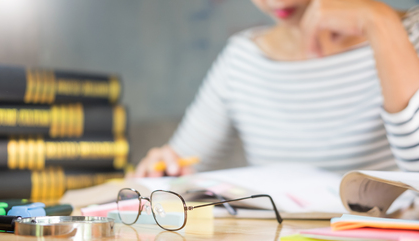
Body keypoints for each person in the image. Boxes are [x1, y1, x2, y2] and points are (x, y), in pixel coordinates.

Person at [132, 0, 419, 178]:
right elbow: (183, 165)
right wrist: (165, 169)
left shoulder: (410, 34)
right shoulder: (242, 58)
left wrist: (379, 22)